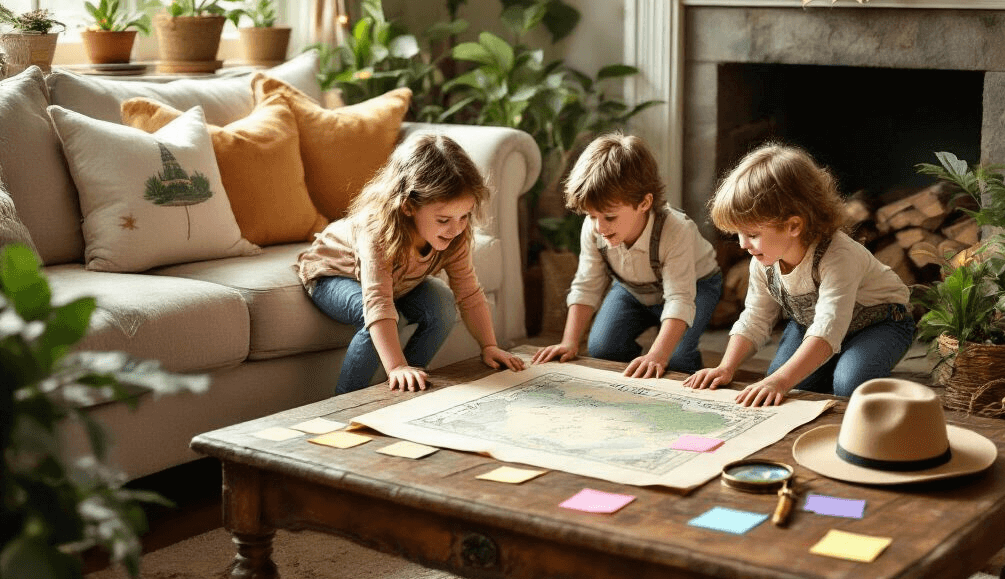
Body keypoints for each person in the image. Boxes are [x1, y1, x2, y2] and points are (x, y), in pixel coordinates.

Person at [685, 142, 914, 406]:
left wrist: (782, 380)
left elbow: (828, 329)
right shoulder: (763, 261)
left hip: (882, 323)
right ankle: (833, 359)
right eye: (738, 234)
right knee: (782, 382)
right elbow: (756, 318)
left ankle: (857, 360)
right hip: (813, 323)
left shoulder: (839, 256)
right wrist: (726, 367)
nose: (742, 245)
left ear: (793, 225)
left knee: (847, 384)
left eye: (752, 234)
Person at [296, 132, 525, 394]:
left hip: (396, 284)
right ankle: (344, 404)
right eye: (443, 220)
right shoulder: (379, 231)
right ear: (408, 207)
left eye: (464, 216)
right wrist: (395, 365)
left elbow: (469, 293)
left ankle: (407, 383)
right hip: (334, 274)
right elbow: (378, 302)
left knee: (442, 306)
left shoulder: (457, 234)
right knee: (371, 316)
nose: (456, 228)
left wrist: (489, 346)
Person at [532, 133, 722, 378]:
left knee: (675, 358)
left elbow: (680, 299)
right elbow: (587, 284)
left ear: (644, 203)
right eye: (592, 216)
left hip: (696, 286)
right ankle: (640, 372)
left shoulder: (676, 230)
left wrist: (658, 355)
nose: (599, 227)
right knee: (603, 348)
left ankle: (684, 364)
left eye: (609, 217)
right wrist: (569, 342)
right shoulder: (595, 227)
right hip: (632, 288)